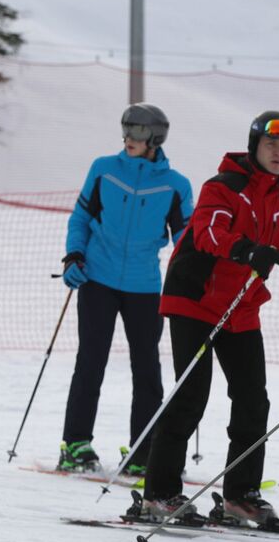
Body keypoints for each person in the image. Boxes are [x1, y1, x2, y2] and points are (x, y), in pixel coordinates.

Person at [133, 111, 279, 531]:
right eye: (271, 144)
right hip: (195, 301)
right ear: (255, 146)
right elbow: (208, 233)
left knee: (253, 401)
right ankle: (159, 493)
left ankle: (240, 496)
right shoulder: (222, 187)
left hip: (241, 310)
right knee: (190, 396)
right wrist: (247, 250)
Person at [57, 103, 193, 475]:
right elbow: (81, 217)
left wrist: (194, 277)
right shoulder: (104, 169)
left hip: (144, 286)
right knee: (90, 362)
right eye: (126, 129)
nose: (128, 138)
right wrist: (74, 255)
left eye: (137, 132)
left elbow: (185, 241)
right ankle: (76, 445)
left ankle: (143, 452)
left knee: (147, 369)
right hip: (97, 279)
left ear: (155, 137)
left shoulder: (175, 185)